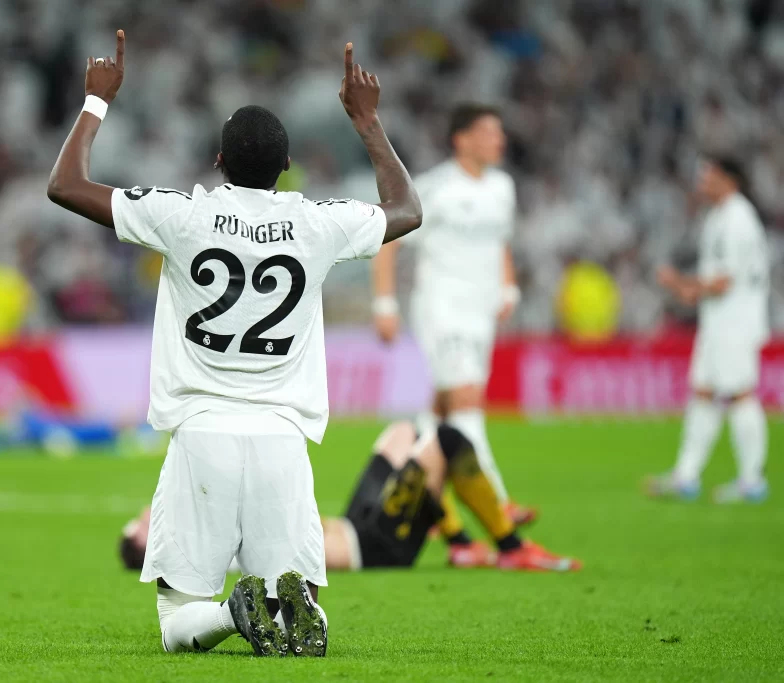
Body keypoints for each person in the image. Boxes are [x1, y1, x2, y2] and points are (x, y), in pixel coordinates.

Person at [47, 32, 422, 657]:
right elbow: (406, 208)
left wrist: (96, 102)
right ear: (286, 166)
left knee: (178, 624)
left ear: (217, 160)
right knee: (299, 609)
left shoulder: (182, 215)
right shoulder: (317, 223)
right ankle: (274, 604)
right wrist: (367, 119)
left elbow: (65, 185)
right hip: (282, 439)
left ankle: (231, 611)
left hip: (201, 434)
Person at [369, 103, 535, 542]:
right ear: (462, 139)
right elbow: (388, 243)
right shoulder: (434, 187)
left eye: (500, 133)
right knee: (467, 400)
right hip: (443, 308)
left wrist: (508, 285)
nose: (499, 140)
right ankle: (498, 502)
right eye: (488, 132)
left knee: (442, 410)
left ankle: (432, 508)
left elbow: (500, 241)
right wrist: (385, 304)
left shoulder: (503, 187)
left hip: (480, 312)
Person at [120, 422, 581, 573]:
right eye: (140, 527)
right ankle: (511, 549)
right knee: (447, 440)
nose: (143, 514)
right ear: (149, 545)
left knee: (402, 432)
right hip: (377, 544)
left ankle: (460, 543)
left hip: (355, 522)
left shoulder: (196, 521)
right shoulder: (195, 541)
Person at [647, 156, 770, 503]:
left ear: (729, 180)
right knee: (703, 390)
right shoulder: (719, 216)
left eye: (709, 174)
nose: (702, 180)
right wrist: (689, 289)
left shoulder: (737, 219)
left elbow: (724, 281)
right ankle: (686, 476)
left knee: (739, 392)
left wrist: (683, 282)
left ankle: (752, 480)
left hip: (735, 320)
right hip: (718, 319)